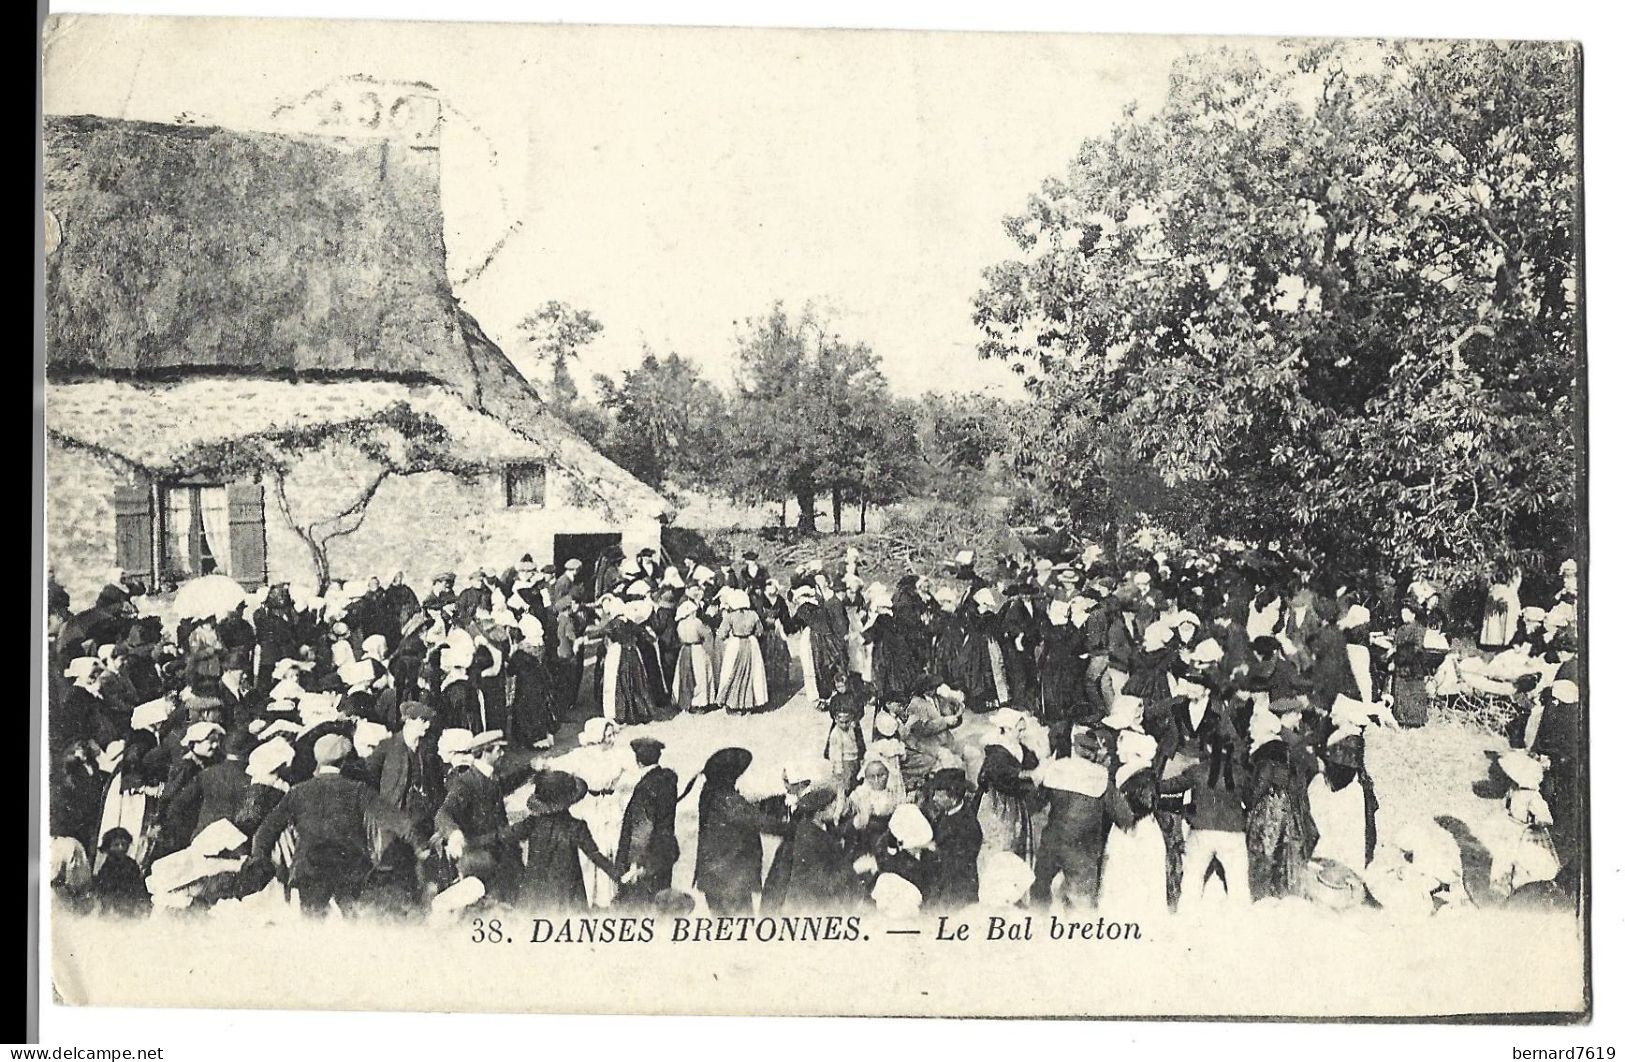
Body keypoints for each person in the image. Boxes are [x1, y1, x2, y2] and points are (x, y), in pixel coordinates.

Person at [250, 734, 413, 916]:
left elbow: (264, 833)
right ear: (343, 761)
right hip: (350, 869)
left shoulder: (298, 791)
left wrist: (259, 859)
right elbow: (398, 821)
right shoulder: (357, 790)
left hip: (310, 869)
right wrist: (421, 845)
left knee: (313, 925)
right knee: (353, 924)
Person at [686, 748, 786, 915]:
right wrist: (800, 829)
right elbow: (757, 820)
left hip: (715, 879)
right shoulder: (727, 799)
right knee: (740, 929)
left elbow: (744, 810)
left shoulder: (710, 791)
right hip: (730, 881)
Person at [1030, 726, 1114, 909]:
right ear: (1094, 753)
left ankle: (1037, 924)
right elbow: (1121, 814)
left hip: (1052, 839)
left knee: (1040, 889)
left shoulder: (1057, 768)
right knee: (1080, 901)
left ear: (1075, 748)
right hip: (1082, 847)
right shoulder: (1100, 776)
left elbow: (1036, 802)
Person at [434, 730, 522, 904]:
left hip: (500, 854)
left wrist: (531, 769)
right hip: (481, 859)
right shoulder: (464, 783)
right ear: (485, 752)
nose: (502, 754)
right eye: (498, 750)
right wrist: (454, 834)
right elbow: (443, 813)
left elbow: (503, 785)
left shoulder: (488, 775)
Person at [515, 771, 621, 912]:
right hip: (567, 895)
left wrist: (477, 843)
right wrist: (619, 875)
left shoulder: (532, 823)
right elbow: (595, 856)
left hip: (535, 894)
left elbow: (503, 835)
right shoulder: (576, 826)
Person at [615, 738, 680, 906]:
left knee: (643, 904)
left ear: (638, 761)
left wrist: (635, 865)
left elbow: (642, 829)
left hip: (647, 858)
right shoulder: (668, 780)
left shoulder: (645, 788)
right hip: (665, 850)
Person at [974, 707, 1037, 871]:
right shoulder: (996, 751)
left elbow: (1030, 763)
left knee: (1015, 839)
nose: (1022, 734)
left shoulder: (1018, 747)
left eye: (1023, 730)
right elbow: (1002, 778)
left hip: (1015, 800)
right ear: (1007, 729)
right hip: (998, 802)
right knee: (1000, 841)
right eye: (1019, 730)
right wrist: (1027, 776)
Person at [923, 768, 981, 909]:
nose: (934, 799)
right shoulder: (946, 814)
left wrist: (933, 849)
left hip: (957, 888)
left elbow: (957, 862)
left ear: (953, 798)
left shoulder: (967, 825)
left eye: (939, 796)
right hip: (944, 881)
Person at [716, 588, 769, 714]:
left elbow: (722, 634)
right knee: (753, 672)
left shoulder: (730, 616)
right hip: (751, 644)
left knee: (732, 672)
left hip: (736, 644)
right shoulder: (754, 615)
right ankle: (751, 703)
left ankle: (733, 703)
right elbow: (760, 632)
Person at [671, 600, 719, 713]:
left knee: (684, 676)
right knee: (700, 676)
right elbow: (706, 634)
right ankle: (699, 703)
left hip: (685, 650)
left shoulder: (680, 624)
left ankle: (685, 701)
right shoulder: (697, 622)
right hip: (697, 649)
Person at [90, 827, 150, 917]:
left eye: (124, 844)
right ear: (108, 847)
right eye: (116, 845)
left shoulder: (132, 865)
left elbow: (139, 887)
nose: (121, 848)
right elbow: (103, 891)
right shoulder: (106, 867)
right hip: (110, 909)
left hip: (129, 908)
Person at [824, 693, 867, 794]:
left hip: (854, 760)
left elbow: (856, 743)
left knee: (856, 781)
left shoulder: (851, 729)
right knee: (846, 786)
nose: (844, 725)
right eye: (841, 722)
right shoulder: (836, 734)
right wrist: (839, 768)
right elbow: (835, 752)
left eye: (847, 721)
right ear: (835, 719)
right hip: (844, 762)